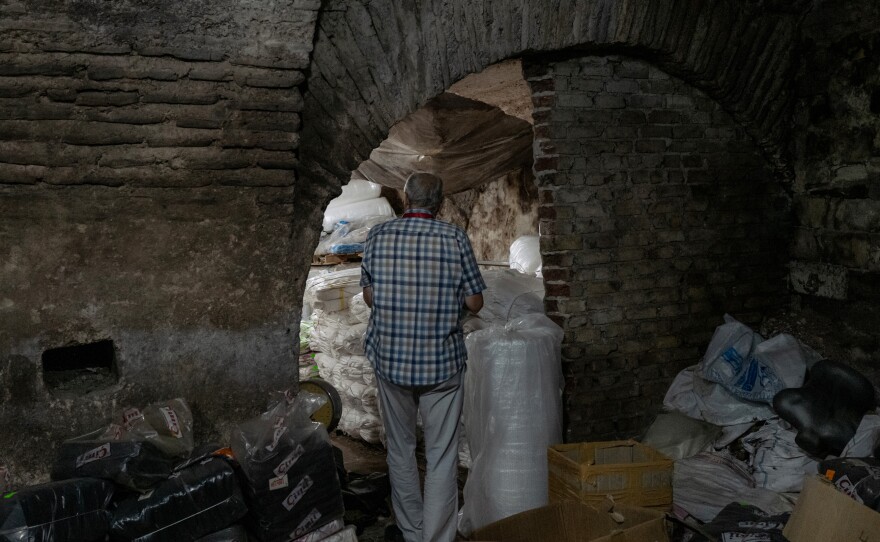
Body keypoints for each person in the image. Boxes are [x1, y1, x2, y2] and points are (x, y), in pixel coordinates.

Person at [360, 172, 486, 542]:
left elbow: (369, 295)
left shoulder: (379, 236)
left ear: (406, 197)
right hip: (441, 365)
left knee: (400, 451)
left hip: (391, 361)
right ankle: (436, 537)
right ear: (440, 202)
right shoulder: (454, 237)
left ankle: (411, 532)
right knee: (441, 456)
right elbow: (475, 302)